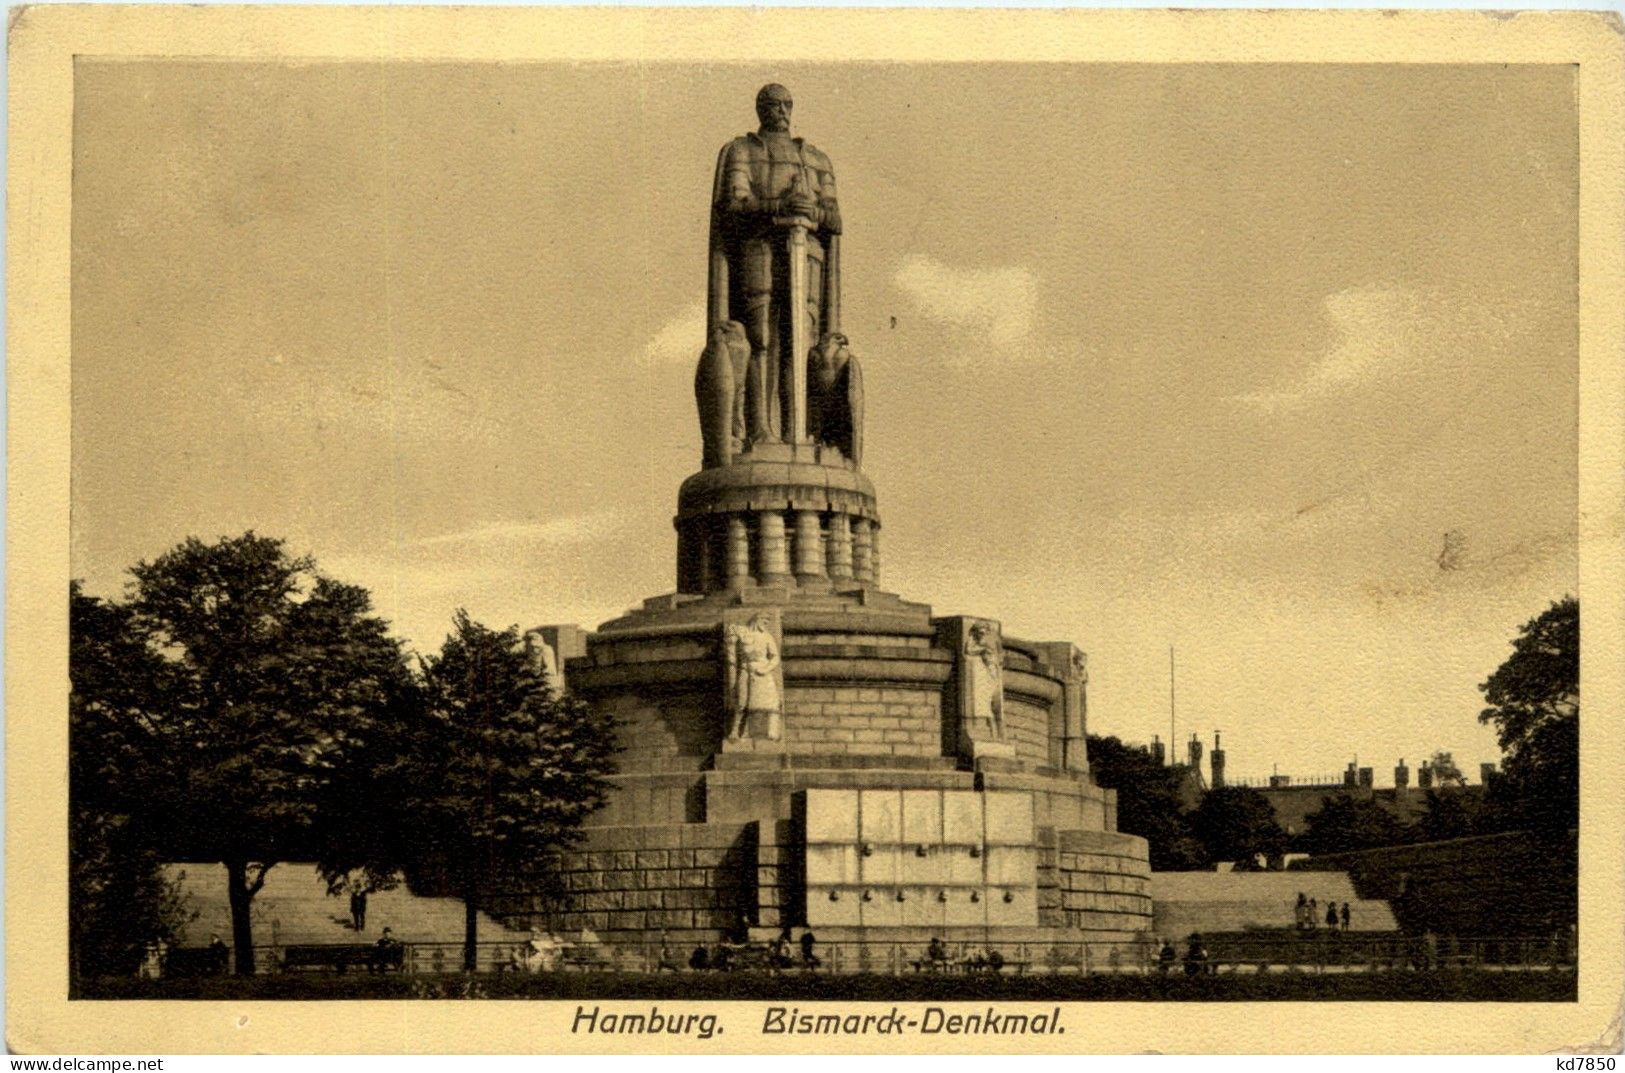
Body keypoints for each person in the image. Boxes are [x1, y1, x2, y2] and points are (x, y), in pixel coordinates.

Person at [709, 84, 842, 446]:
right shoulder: (743, 151)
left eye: (787, 104)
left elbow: (834, 219)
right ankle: (760, 429)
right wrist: (776, 208)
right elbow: (733, 208)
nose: (781, 111)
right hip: (760, 254)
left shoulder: (815, 159)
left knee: (802, 345)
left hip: (806, 260)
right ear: (760, 108)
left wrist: (812, 211)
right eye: (773, 104)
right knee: (761, 339)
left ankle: (797, 431)